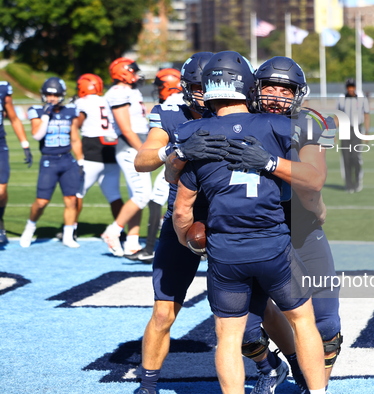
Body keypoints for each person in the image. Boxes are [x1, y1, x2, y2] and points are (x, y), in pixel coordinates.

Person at [172, 51, 326, 394]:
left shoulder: (193, 133)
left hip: (225, 252)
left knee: (228, 337)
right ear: (248, 85)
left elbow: (182, 209)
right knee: (303, 322)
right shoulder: (282, 125)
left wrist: (189, 241)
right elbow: (313, 178)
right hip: (274, 247)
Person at [232, 56, 341, 393]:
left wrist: (270, 163)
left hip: (301, 228)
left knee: (326, 326)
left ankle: (315, 387)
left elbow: (313, 182)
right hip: (251, 230)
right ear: (255, 89)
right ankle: (276, 366)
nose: (278, 95)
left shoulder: (308, 122)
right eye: (271, 87)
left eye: (286, 89)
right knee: (244, 331)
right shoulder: (236, 120)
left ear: (298, 93)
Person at [133, 51, 226, 394]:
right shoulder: (171, 112)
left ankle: (275, 364)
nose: (204, 93)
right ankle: (147, 384)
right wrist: (171, 150)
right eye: (198, 86)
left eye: (211, 85)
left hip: (231, 220)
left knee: (252, 315)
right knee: (163, 311)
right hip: (181, 221)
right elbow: (143, 160)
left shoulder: (239, 113)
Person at [126, 67, 185, 263]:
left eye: (161, 86)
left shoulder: (170, 103)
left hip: (178, 159)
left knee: (156, 199)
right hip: (186, 159)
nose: (158, 90)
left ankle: (151, 248)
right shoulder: (188, 100)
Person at [19, 77, 83, 248]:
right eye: (48, 94)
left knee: (71, 200)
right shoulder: (37, 111)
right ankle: (30, 227)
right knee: (41, 201)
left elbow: (75, 138)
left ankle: (68, 235)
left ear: (61, 95)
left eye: (55, 95)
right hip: (49, 160)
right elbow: (37, 135)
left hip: (67, 160)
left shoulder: (70, 111)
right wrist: (46, 115)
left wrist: (81, 160)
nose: (51, 98)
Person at [101, 58, 151, 257]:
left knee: (137, 195)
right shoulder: (117, 93)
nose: (137, 74)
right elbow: (126, 129)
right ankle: (113, 232)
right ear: (123, 72)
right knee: (142, 195)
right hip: (130, 145)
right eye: (133, 71)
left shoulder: (131, 91)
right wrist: (145, 151)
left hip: (137, 143)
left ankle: (132, 241)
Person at [73, 73, 123, 235]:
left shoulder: (82, 102)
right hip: (112, 148)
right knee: (114, 194)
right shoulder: (107, 100)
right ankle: (119, 230)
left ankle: (70, 229)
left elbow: (76, 124)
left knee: (77, 192)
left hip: (92, 148)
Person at [0, 80, 32, 245]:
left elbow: (13, 117)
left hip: (0, 143)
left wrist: (25, 145)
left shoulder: (3, 88)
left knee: (1, 190)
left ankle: (0, 221)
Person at [336, 78, 370, 193]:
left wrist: (367, 132)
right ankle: (348, 184)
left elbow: (366, 115)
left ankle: (357, 182)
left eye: (352, 87)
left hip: (357, 129)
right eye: (349, 87)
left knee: (355, 156)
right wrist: (332, 133)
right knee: (346, 157)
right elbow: (337, 116)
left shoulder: (362, 99)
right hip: (345, 129)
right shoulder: (341, 99)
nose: (351, 89)